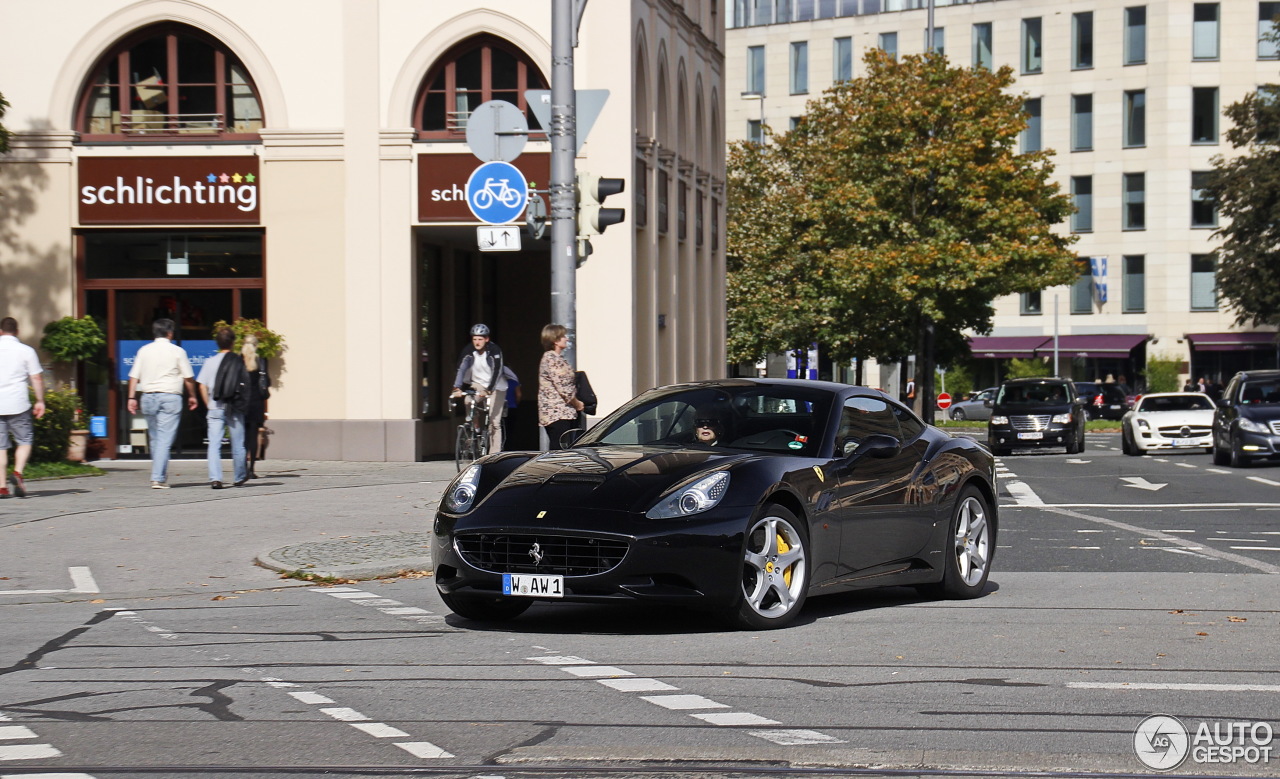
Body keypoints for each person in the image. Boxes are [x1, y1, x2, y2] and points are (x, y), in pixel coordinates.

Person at [127, 318, 198, 489]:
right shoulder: (177, 351)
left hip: (148, 397)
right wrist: (192, 395)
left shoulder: (144, 351)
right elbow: (188, 377)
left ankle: (159, 475)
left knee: (156, 438)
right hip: (170, 397)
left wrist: (131, 398)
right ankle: (157, 478)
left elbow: (134, 376)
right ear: (170, 333)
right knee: (164, 440)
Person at [196, 327, 249, 489]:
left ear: (217, 343)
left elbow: (202, 386)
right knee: (238, 443)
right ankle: (239, 477)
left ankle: (215, 478)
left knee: (214, 444)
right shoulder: (238, 361)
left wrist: (208, 404)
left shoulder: (209, 362)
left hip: (214, 407)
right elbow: (245, 385)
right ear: (233, 343)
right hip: (234, 407)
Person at [0, 318, 46, 498]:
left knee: (0, 447)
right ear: (17, 332)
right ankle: (17, 472)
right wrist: (40, 401)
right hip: (18, 403)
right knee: (25, 440)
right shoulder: (26, 351)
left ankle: (2, 487)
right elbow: (36, 378)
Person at [451, 324, 507, 454]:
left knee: (494, 422)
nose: (477, 342)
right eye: (475, 339)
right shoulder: (468, 350)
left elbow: (497, 371)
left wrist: (489, 390)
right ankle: (475, 428)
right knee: (468, 401)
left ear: (486, 339)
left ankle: (494, 454)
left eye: (480, 339)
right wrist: (456, 387)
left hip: (497, 386)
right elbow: (461, 369)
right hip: (478, 383)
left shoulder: (495, 350)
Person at [538, 323, 583, 450]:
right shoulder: (551, 359)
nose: (566, 339)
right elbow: (564, 388)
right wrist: (577, 403)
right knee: (558, 449)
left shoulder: (558, 358)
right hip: (557, 413)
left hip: (564, 412)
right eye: (563, 336)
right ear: (555, 340)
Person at [241, 333, 271, 479]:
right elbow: (268, 382)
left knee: (242, 437)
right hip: (256, 402)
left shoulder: (239, 360)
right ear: (256, 345)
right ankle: (251, 469)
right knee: (253, 436)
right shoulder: (261, 361)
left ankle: (242, 468)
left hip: (241, 403)